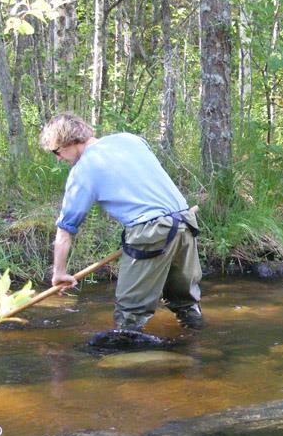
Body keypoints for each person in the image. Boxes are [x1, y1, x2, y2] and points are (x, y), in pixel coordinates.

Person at [40, 112, 203, 332]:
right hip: (184, 222)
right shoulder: (130, 139)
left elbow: (65, 231)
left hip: (151, 232)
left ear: (69, 141)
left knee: (129, 316)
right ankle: (197, 348)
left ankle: (125, 361)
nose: (58, 158)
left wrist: (59, 273)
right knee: (186, 303)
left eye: (56, 152)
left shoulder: (84, 170)